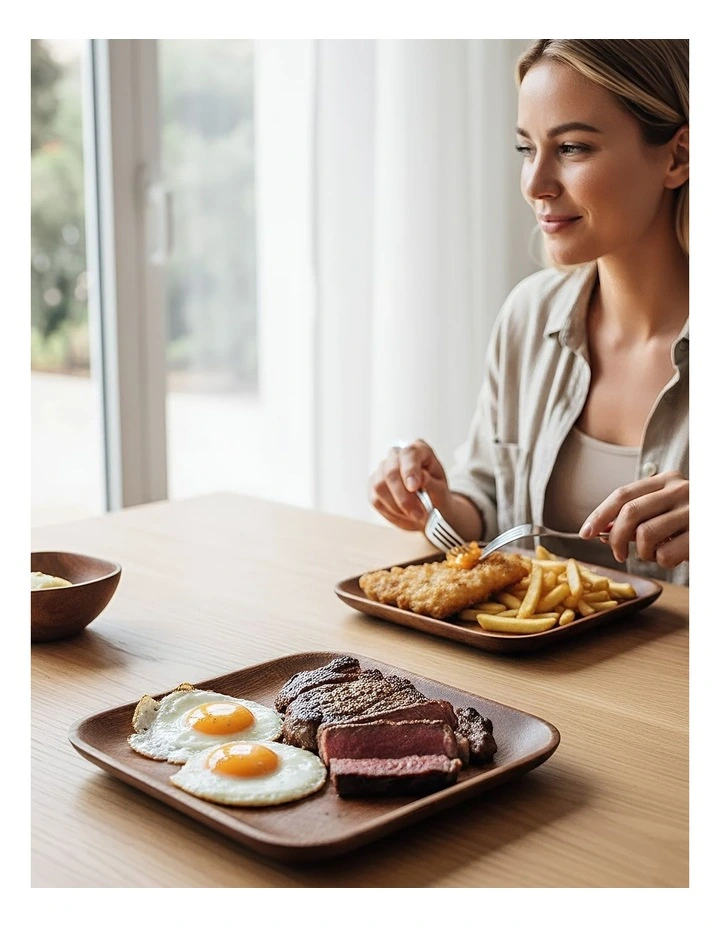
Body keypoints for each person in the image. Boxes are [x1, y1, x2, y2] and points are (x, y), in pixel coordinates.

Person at [368, 40, 689, 585]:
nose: (536, 183)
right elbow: (488, 510)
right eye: (525, 149)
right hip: (529, 672)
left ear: (677, 157)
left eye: (571, 148)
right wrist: (434, 502)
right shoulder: (528, 316)